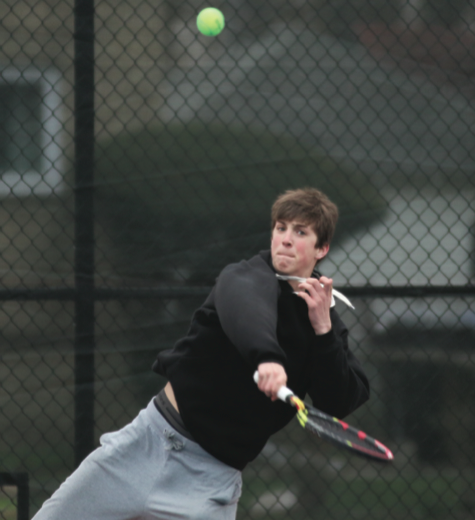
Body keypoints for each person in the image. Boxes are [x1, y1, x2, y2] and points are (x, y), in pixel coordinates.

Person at [32, 187, 370, 520]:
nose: (285, 238)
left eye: (300, 232)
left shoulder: (324, 319)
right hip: (147, 444)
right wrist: (268, 358)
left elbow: (339, 399)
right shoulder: (244, 277)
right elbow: (249, 309)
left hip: (211, 482)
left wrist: (323, 331)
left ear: (321, 248)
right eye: (280, 227)